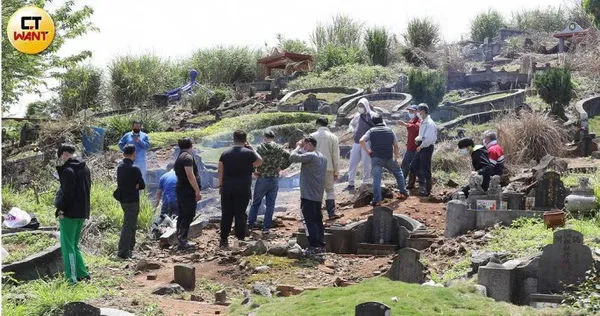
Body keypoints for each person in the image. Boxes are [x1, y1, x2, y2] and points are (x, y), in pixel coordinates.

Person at [218, 131, 263, 248]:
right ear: (245, 140)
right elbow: (260, 161)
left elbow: (220, 171)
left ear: (233, 139)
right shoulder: (249, 153)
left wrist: (220, 185)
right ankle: (240, 239)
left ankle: (223, 239)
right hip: (243, 188)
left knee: (226, 214)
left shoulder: (225, 153)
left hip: (227, 188)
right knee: (240, 214)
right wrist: (252, 148)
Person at [55, 144, 91, 283]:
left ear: (64, 154)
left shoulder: (68, 170)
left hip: (69, 213)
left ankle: (72, 278)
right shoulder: (84, 167)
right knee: (74, 245)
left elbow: (67, 194)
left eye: (61, 156)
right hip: (82, 211)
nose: (61, 160)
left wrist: (61, 209)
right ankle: (82, 273)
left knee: (68, 246)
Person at [360, 114, 409, 207]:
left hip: (376, 158)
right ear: (382, 120)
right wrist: (396, 157)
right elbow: (396, 146)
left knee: (376, 180)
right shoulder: (390, 130)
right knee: (398, 173)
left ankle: (377, 200)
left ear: (373, 122)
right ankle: (403, 192)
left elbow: (361, 140)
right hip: (389, 157)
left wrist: (368, 151)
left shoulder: (371, 131)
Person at [247, 130, 291, 234]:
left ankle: (250, 225)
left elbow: (252, 159)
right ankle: (266, 227)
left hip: (262, 177)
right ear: (273, 137)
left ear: (265, 137)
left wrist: (254, 171)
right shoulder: (279, 147)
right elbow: (289, 157)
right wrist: (281, 167)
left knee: (256, 203)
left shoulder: (261, 147)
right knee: (270, 204)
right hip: (274, 178)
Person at [290, 136, 328, 254]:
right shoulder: (322, 157)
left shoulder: (310, 156)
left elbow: (292, 157)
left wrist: (298, 147)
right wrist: (302, 148)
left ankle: (313, 245)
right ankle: (320, 244)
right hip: (318, 194)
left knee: (309, 220)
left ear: (310, 144)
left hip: (308, 194)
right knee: (317, 220)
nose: (304, 147)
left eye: (305, 144)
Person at [116, 144, 146, 259]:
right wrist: (136, 185)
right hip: (132, 200)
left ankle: (130, 249)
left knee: (130, 224)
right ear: (134, 154)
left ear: (124, 154)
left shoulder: (120, 167)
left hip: (123, 200)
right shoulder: (135, 168)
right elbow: (142, 185)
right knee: (129, 226)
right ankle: (123, 252)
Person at [310, 116, 341, 219]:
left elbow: (308, 153)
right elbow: (335, 156)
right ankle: (331, 213)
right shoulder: (333, 137)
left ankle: (316, 214)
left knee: (316, 192)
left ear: (317, 124)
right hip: (328, 167)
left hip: (314, 168)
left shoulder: (312, 136)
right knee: (330, 190)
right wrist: (336, 171)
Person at [174, 138, 202, 250]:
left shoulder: (180, 156)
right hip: (187, 190)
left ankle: (180, 238)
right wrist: (197, 190)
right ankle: (183, 240)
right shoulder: (187, 157)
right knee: (188, 214)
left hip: (181, 189)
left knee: (182, 214)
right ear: (191, 145)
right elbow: (190, 175)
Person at [346, 98, 378, 191]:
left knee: (366, 163)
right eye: (359, 106)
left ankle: (365, 183)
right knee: (352, 163)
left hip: (367, 142)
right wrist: (351, 128)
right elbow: (351, 124)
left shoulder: (373, 115)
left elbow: (380, 125)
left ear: (366, 106)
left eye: (362, 106)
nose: (360, 108)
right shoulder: (357, 116)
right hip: (356, 142)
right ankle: (351, 183)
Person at [410, 104, 437, 197]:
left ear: (423, 111)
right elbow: (422, 135)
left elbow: (429, 139)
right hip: (422, 146)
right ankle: (410, 186)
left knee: (425, 168)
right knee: (413, 165)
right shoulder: (423, 121)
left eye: (419, 110)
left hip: (426, 147)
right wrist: (418, 139)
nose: (417, 112)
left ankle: (427, 190)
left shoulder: (429, 123)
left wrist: (421, 146)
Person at [397, 105, 421, 189]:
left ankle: (413, 184)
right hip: (410, 147)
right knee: (405, 165)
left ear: (417, 112)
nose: (410, 113)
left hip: (416, 148)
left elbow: (415, 128)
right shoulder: (411, 120)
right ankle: (402, 183)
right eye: (409, 111)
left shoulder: (419, 121)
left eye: (412, 111)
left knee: (413, 167)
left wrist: (404, 124)